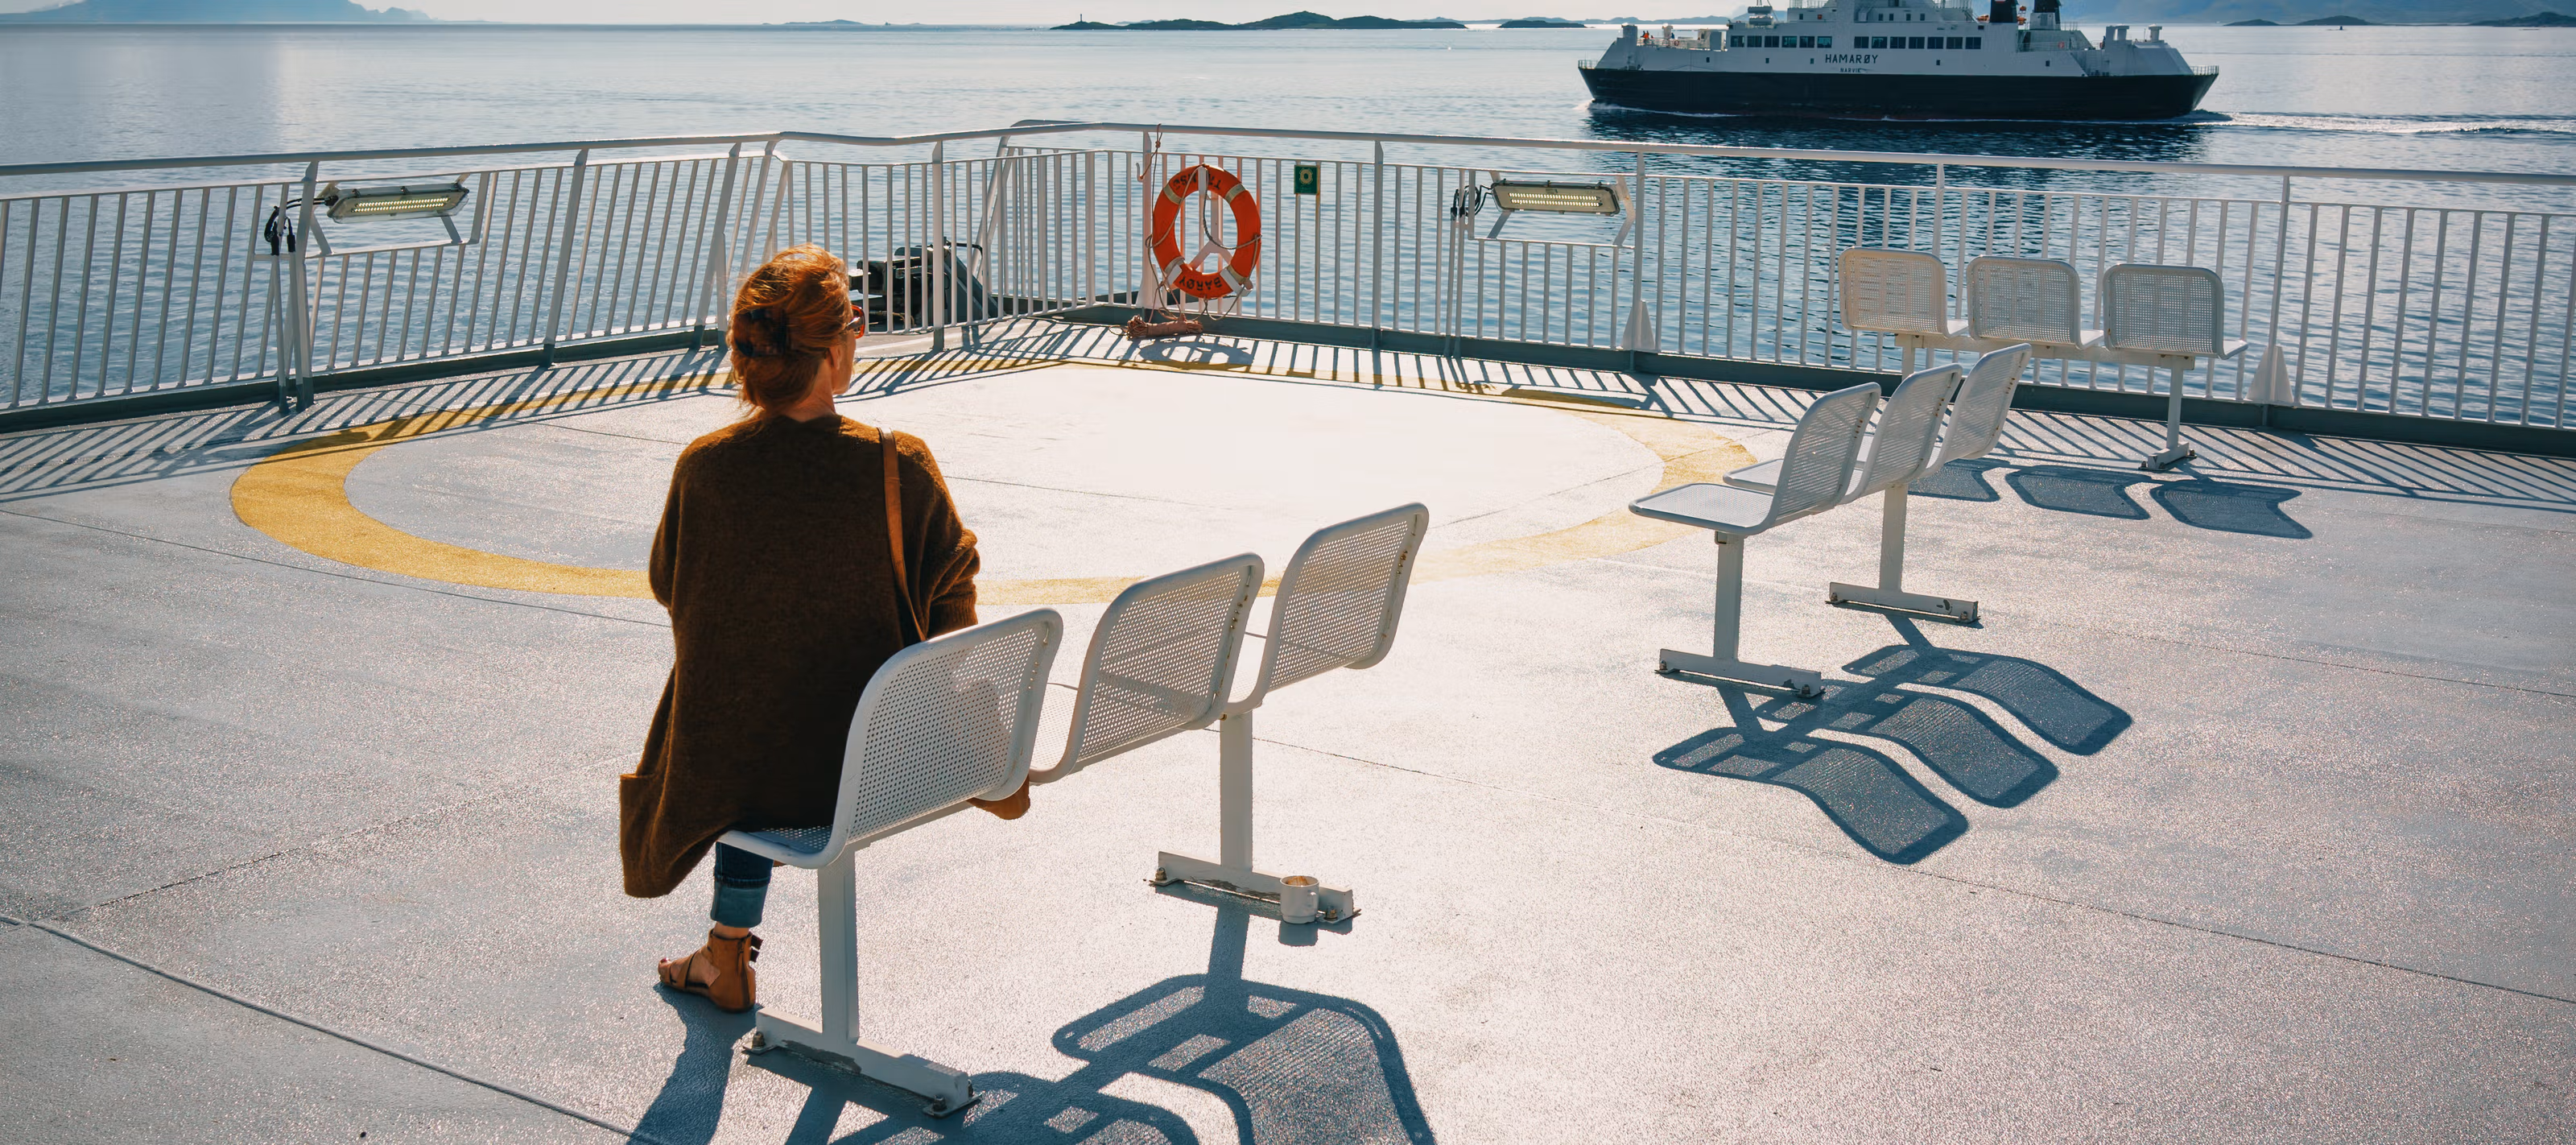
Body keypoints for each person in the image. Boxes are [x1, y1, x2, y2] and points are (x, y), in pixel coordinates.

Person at [621, 244, 1023, 1013]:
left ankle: (725, 954)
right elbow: (955, 591)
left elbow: (671, 587)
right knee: (793, 707)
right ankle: (725, 954)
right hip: (880, 763)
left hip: (740, 779)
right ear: (840, 347)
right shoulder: (896, 463)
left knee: (748, 703)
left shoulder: (705, 469)